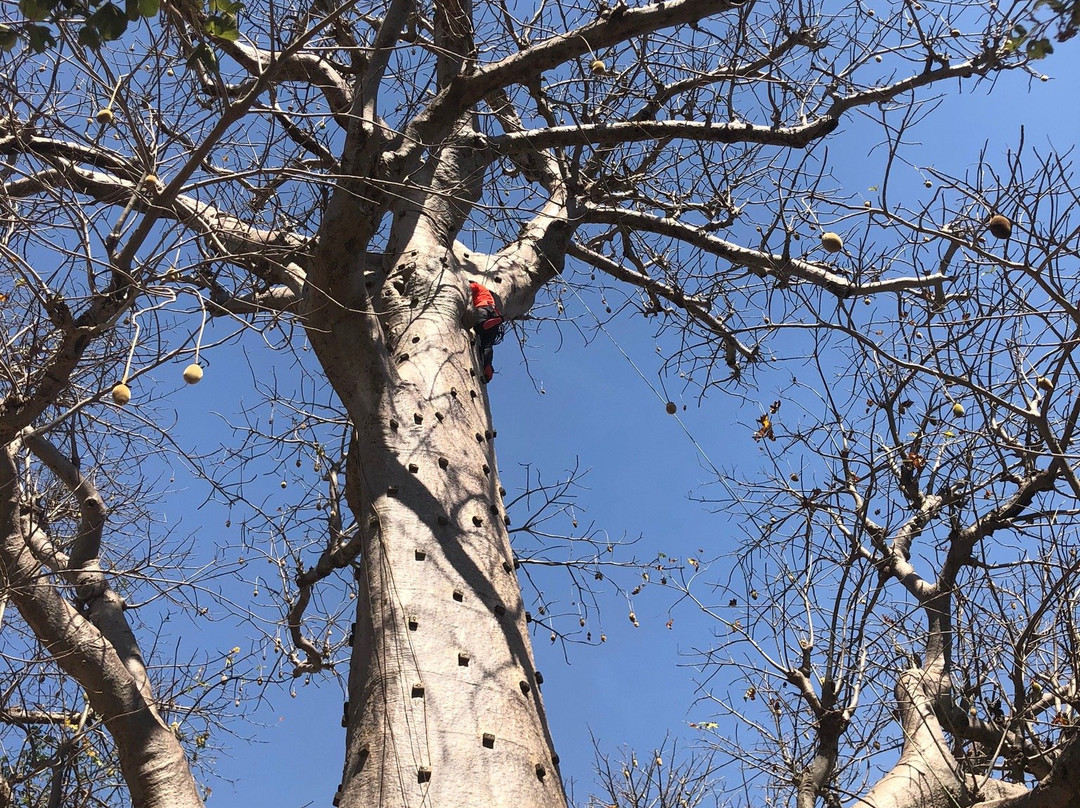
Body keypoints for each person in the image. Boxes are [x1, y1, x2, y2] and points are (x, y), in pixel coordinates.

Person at [469, 281, 504, 382]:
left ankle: (486, 323)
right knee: (487, 346)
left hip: (483, 308)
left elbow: (468, 288)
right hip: (495, 314)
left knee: (477, 329)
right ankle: (488, 366)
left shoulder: (477, 285)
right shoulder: (490, 296)